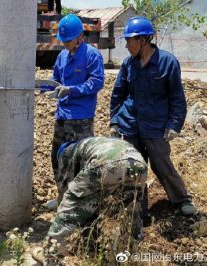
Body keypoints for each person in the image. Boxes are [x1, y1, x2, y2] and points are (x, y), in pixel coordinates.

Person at [109, 16, 196, 216]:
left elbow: (177, 98)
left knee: (162, 166)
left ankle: (181, 200)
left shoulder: (167, 62)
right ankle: (139, 209)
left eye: (130, 40)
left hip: (156, 127)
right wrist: (114, 121)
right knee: (134, 169)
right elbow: (118, 95)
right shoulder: (128, 64)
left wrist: (174, 125)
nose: (127, 45)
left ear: (144, 40)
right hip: (131, 125)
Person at [48, 137, 147, 240]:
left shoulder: (66, 152)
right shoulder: (93, 143)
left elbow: (66, 188)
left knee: (72, 199)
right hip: (140, 164)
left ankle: (54, 246)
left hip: (110, 163)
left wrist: (61, 207)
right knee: (130, 205)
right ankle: (134, 241)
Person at [49, 14, 104, 197]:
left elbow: (96, 82)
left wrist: (71, 90)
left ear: (80, 36)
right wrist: (52, 87)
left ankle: (80, 199)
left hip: (81, 117)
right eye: (63, 40)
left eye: (68, 40)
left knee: (79, 160)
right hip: (62, 115)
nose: (65, 44)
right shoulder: (62, 56)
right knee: (58, 157)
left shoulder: (91, 55)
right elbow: (56, 78)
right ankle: (62, 195)